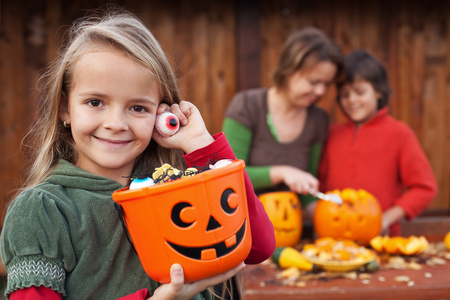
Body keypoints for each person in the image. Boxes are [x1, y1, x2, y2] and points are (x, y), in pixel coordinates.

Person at [0, 9, 275, 300]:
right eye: (95, 102)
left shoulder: (178, 185)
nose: (116, 124)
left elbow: (258, 246)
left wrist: (201, 145)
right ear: (65, 108)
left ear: (161, 114)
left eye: (138, 108)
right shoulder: (43, 211)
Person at [223, 27, 344, 217]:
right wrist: (282, 172)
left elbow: (308, 192)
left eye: (326, 84)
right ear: (289, 71)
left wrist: (331, 221)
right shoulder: (247, 106)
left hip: (290, 227)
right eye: (314, 82)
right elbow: (227, 175)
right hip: (243, 226)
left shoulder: (318, 120)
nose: (321, 92)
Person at [319, 50, 438, 236]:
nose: (352, 100)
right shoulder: (332, 134)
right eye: (344, 95)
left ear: (378, 91)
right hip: (334, 236)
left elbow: (424, 188)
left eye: (360, 92)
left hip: (381, 237)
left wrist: (386, 219)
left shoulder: (400, 134)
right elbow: (320, 186)